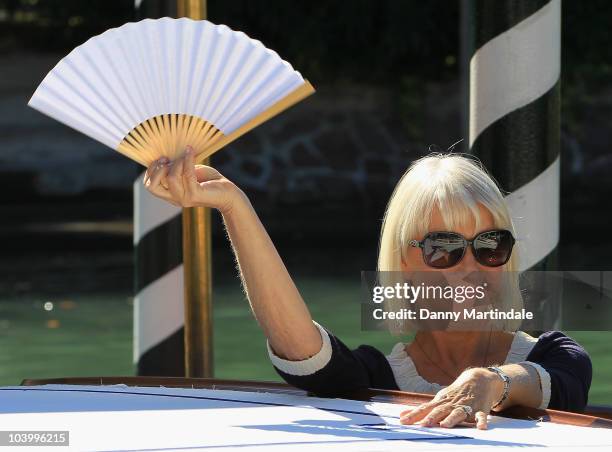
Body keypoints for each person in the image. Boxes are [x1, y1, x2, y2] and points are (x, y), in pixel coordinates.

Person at [144, 147, 592, 430]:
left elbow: (555, 383)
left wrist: (488, 382)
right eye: (443, 248)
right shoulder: (375, 379)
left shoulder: (557, 356)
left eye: (490, 246)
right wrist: (232, 206)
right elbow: (299, 346)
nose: (472, 267)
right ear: (403, 264)